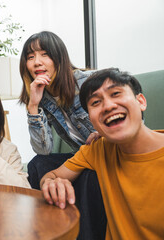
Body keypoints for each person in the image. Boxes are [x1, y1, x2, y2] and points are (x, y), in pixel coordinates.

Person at [41, 68, 164, 239]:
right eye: (96, 103)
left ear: (141, 101)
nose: (108, 106)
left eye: (115, 93)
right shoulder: (98, 149)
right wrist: (51, 183)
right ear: (91, 120)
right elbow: (51, 175)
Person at [19, 31, 106, 239]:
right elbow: (44, 150)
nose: (37, 62)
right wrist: (33, 105)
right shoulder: (43, 96)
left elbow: (129, 120)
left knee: (88, 174)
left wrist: (103, 135)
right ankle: (46, 229)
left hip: (104, 154)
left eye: (44, 54)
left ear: (59, 57)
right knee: (37, 164)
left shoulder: (86, 83)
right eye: (30, 57)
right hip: (83, 156)